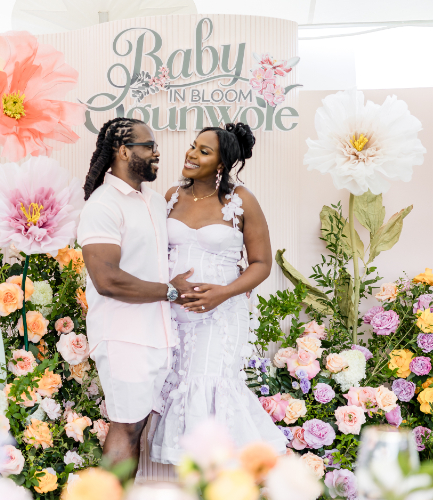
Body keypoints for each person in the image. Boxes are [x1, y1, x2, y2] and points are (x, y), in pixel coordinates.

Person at [149, 122, 288, 465]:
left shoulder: (240, 201)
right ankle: (193, 498)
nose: (191, 154)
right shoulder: (171, 197)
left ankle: (218, 491)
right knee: (177, 388)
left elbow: (260, 263)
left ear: (221, 164)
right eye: (193, 146)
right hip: (171, 314)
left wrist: (222, 293)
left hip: (220, 316)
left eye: (203, 151)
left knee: (207, 385)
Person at [77, 117, 197, 476]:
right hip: (123, 335)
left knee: (138, 429)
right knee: (126, 427)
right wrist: (171, 291)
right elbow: (107, 279)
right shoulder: (103, 205)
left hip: (156, 334)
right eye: (149, 146)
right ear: (124, 151)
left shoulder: (153, 201)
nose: (157, 152)